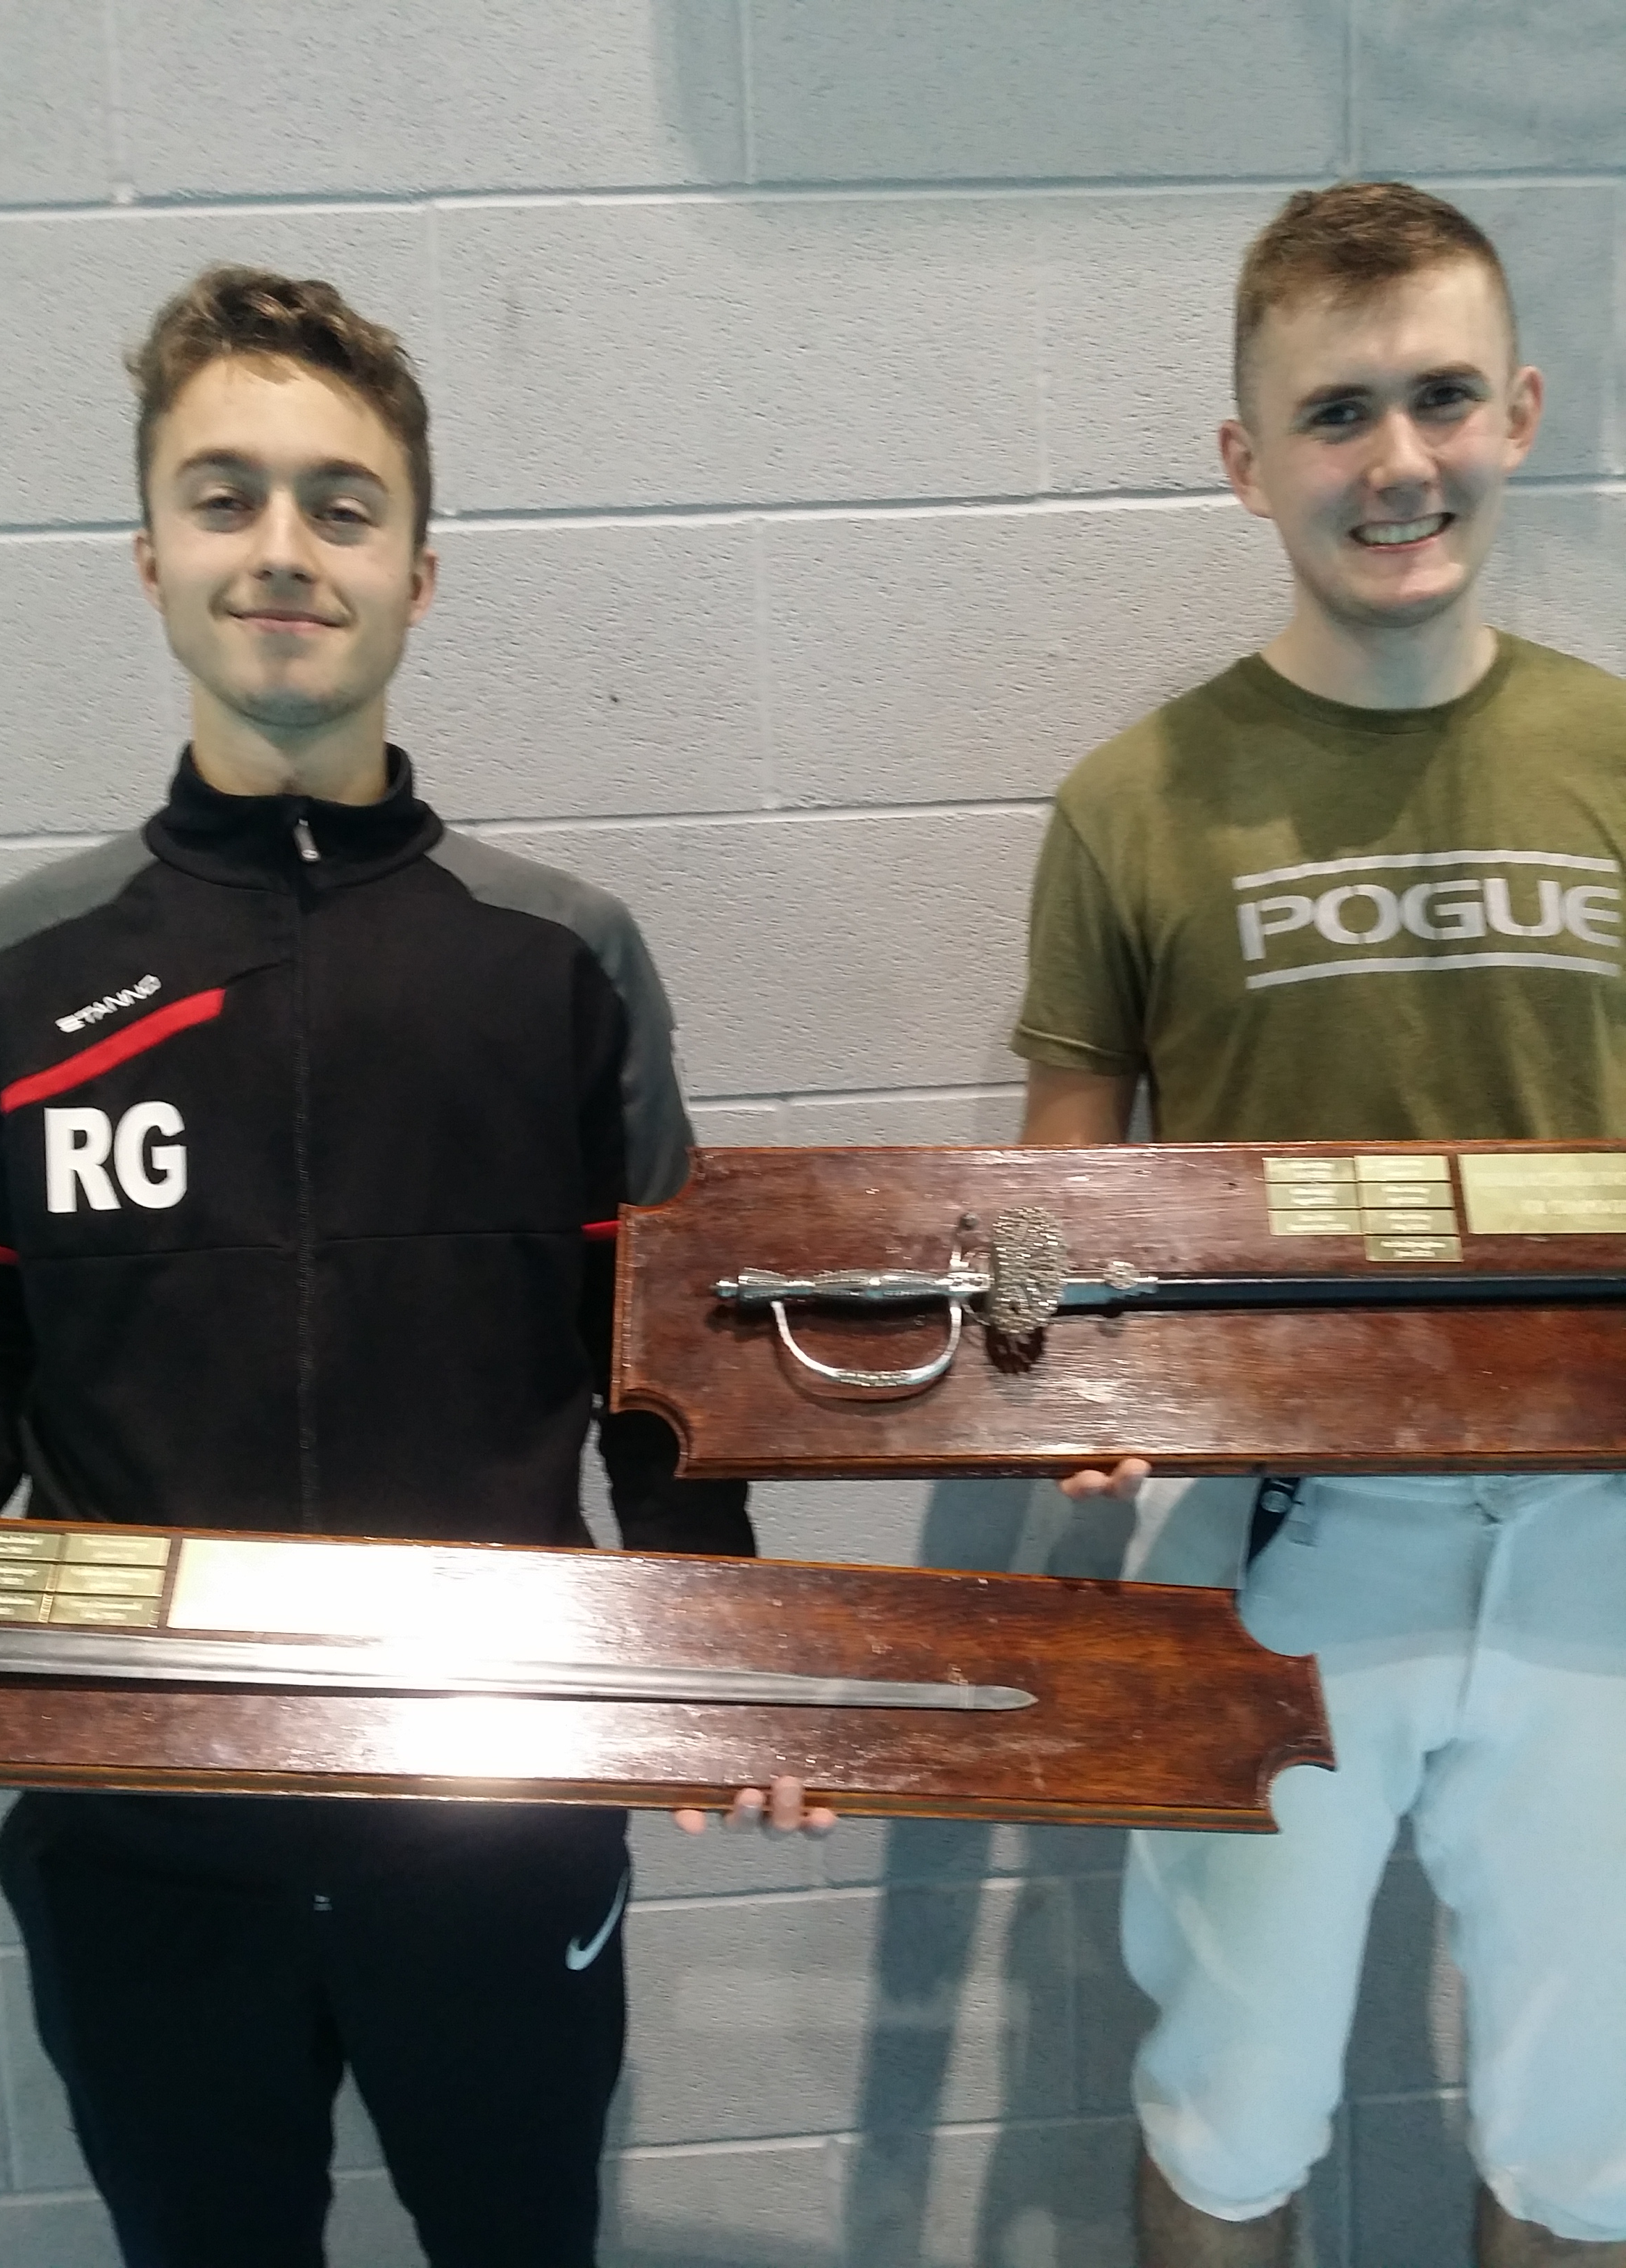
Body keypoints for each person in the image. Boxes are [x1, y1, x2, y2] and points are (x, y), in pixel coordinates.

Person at [0, 266, 821, 2268]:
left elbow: (663, 1382)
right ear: (150, 555)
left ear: (417, 573)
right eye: (225, 496)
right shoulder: (9, 971)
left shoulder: (559, 958)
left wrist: (745, 1685)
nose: (282, 548)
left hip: (493, 1824)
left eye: (340, 506)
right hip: (139, 1835)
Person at [1013, 182, 1626, 2268]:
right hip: (1278, 1538)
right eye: (1338, 413)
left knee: (1588, 2141)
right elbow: (1057, 1209)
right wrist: (1063, 1388)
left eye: (1442, 398)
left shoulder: (1615, 755)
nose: (1398, 461)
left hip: (1598, 1529)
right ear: (1247, 459)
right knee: (1232, 2110)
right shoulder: (1134, 802)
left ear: (1522, 411)